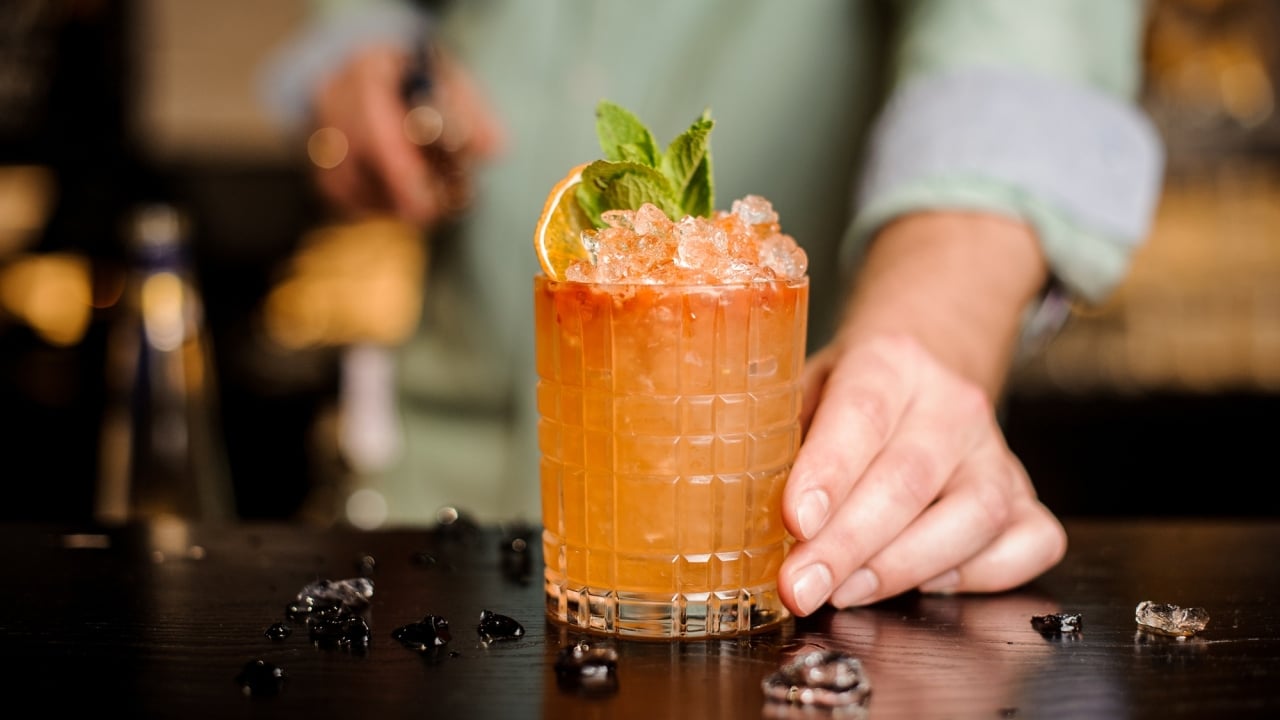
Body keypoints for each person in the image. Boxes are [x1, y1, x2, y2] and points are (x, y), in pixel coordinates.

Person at [259, 0, 1164, 618]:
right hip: (430, 515)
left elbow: (1020, 61)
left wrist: (928, 342)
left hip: (787, 561)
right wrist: (364, 62)